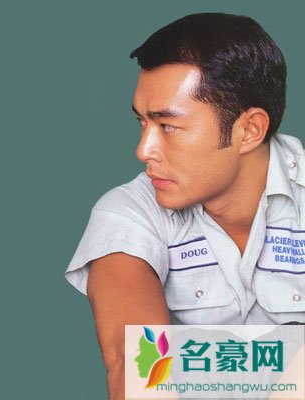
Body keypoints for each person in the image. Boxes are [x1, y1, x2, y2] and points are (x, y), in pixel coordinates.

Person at [64, 12, 305, 399]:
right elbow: (138, 366)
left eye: (168, 126)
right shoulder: (128, 211)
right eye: (142, 123)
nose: (143, 150)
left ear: (249, 130)